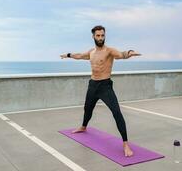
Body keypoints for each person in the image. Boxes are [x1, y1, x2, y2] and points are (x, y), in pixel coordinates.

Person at [60, 25, 141, 157]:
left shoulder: (109, 51)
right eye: (98, 35)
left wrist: (130, 52)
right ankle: (84, 126)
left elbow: (121, 55)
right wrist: (68, 55)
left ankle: (125, 144)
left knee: (116, 112)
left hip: (105, 86)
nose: (100, 38)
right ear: (93, 36)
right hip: (93, 85)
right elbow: (79, 56)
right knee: (87, 108)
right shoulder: (91, 52)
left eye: (102, 35)